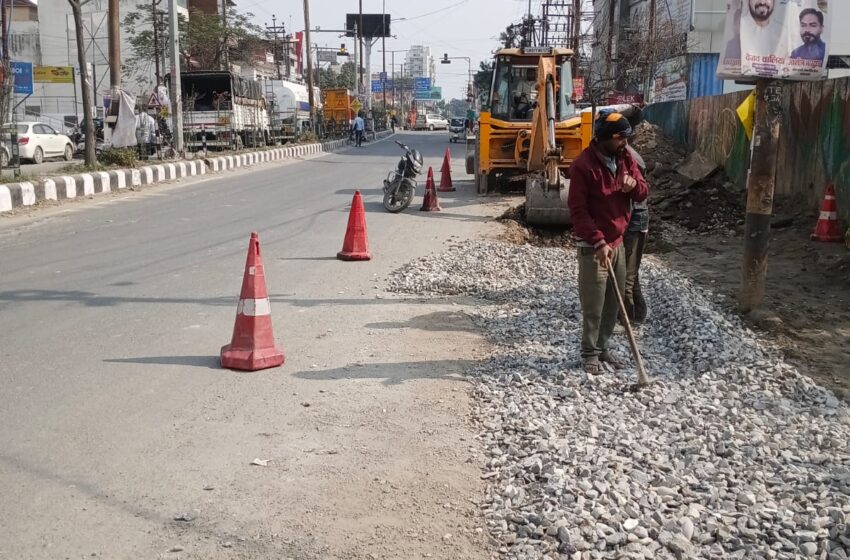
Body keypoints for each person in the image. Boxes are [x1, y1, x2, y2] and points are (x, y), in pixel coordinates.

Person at [567, 112, 648, 375]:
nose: (625, 142)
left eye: (626, 137)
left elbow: (644, 191)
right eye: (619, 138)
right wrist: (598, 241)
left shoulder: (625, 158)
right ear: (603, 139)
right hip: (594, 245)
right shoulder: (583, 166)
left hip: (618, 241)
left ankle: (602, 346)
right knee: (594, 303)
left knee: (614, 302)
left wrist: (633, 185)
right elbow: (578, 212)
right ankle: (590, 352)